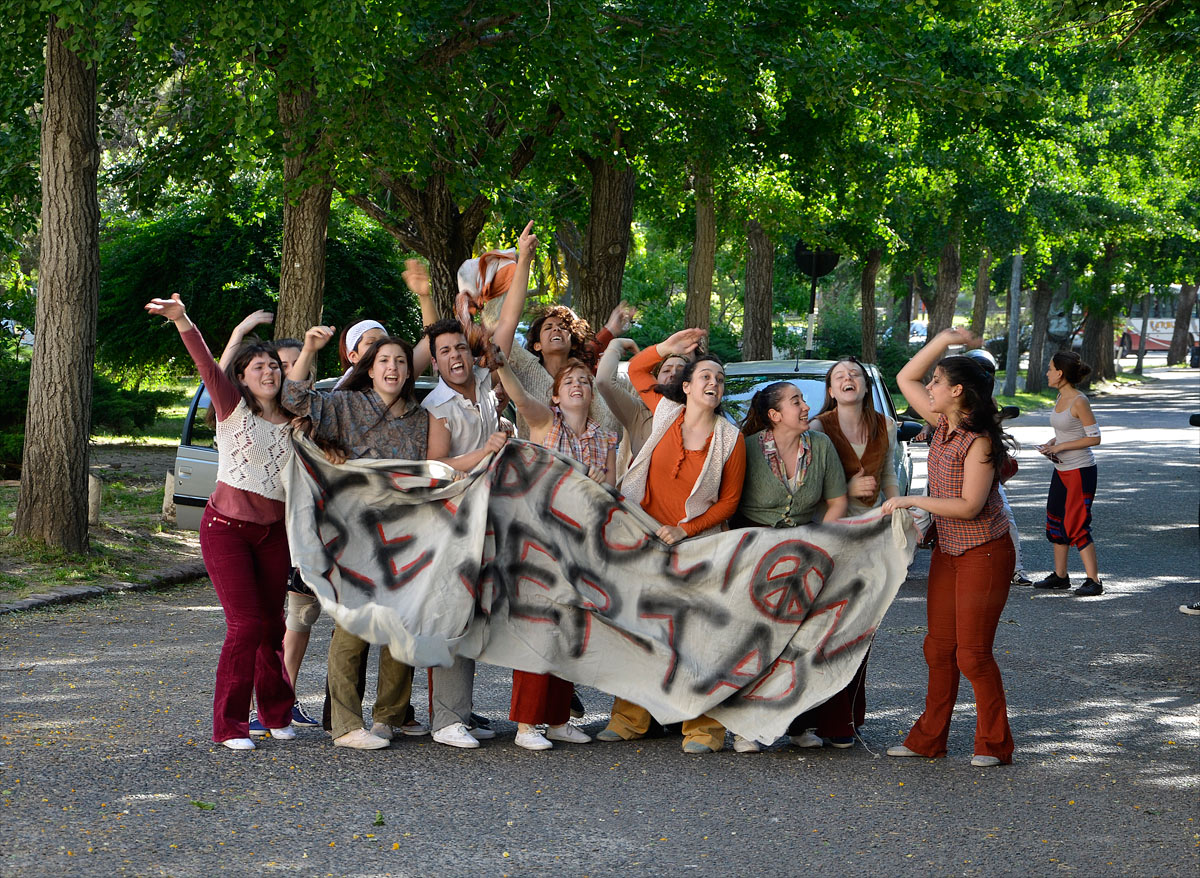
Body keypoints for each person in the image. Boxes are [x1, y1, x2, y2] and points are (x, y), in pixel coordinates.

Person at [283, 329, 499, 749]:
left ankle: (388, 717)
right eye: (384, 361)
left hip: (401, 533)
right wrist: (309, 349)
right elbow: (295, 400)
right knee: (352, 630)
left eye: (401, 361)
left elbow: (431, 470)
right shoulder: (346, 405)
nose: (393, 368)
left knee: (401, 623)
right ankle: (346, 725)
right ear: (370, 367)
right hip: (351, 533)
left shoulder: (419, 420)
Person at [144, 294, 296, 752]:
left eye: (274, 366)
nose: (269, 372)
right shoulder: (232, 408)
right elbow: (209, 366)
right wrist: (183, 320)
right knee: (245, 627)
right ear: (244, 379)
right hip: (226, 529)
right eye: (259, 367)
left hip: (274, 534)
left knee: (273, 627)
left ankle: (275, 714)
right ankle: (230, 726)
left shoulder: (297, 419)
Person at [596, 329, 747, 754]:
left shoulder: (730, 439)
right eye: (705, 376)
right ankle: (630, 721)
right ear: (686, 386)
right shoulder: (663, 412)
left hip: (696, 547)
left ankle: (704, 730)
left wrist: (686, 529)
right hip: (643, 540)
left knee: (696, 639)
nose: (714, 383)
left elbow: (730, 501)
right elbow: (640, 369)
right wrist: (668, 347)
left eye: (720, 378)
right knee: (640, 630)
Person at [416, 222, 535, 751]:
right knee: (452, 612)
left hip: (492, 512)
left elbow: (508, 314)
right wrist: (483, 452)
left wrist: (525, 258)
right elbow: (436, 465)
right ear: (436, 362)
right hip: (451, 518)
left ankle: (463, 710)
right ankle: (445, 720)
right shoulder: (436, 407)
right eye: (443, 353)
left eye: (459, 349)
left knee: (486, 611)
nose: (455, 357)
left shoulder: (487, 381)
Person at [880, 327, 1017, 768]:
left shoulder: (978, 441)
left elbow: (969, 505)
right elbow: (905, 378)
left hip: (985, 551)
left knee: (972, 655)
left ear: (957, 391)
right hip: (949, 553)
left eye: (938, 382)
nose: (930, 388)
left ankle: (994, 745)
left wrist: (912, 499)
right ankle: (927, 740)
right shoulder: (942, 425)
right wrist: (944, 340)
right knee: (937, 650)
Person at [493, 352, 617, 750]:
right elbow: (518, 394)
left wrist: (601, 481)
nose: (578, 385)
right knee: (538, 630)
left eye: (584, 380)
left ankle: (559, 719)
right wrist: (500, 364)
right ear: (557, 396)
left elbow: (612, 494)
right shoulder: (546, 422)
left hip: (583, 544)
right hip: (541, 541)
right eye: (569, 383)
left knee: (572, 630)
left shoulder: (605, 437)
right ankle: (527, 725)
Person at [734, 381, 849, 752]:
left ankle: (800, 725)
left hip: (806, 551)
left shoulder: (821, 446)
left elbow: (836, 501)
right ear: (774, 415)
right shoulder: (747, 449)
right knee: (756, 642)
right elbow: (729, 502)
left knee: (801, 642)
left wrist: (821, 546)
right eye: (795, 401)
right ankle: (745, 727)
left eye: (803, 400)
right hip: (755, 551)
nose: (804, 407)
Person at [1033, 351, 1104, 597]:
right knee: (1055, 519)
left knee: (1077, 522)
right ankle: (1060, 576)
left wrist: (1060, 447)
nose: (1047, 372)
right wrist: (1051, 443)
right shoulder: (1060, 397)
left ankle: (1094, 581)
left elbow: (1094, 437)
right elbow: (1066, 432)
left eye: (1050, 368)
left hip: (1080, 470)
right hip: (1061, 468)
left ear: (1060, 373)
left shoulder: (1079, 401)